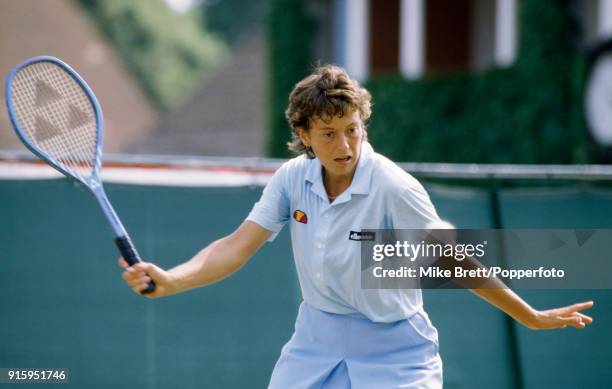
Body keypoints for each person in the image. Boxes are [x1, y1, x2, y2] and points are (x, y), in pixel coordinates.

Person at [119, 65, 594, 388]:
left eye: (352, 128)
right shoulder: (292, 179)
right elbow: (235, 247)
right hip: (315, 340)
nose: (344, 144)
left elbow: (457, 264)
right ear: (304, 135)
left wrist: (529, 315)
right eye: (328, 134)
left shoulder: (394, 188)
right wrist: (172, 279)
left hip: (396, 352)